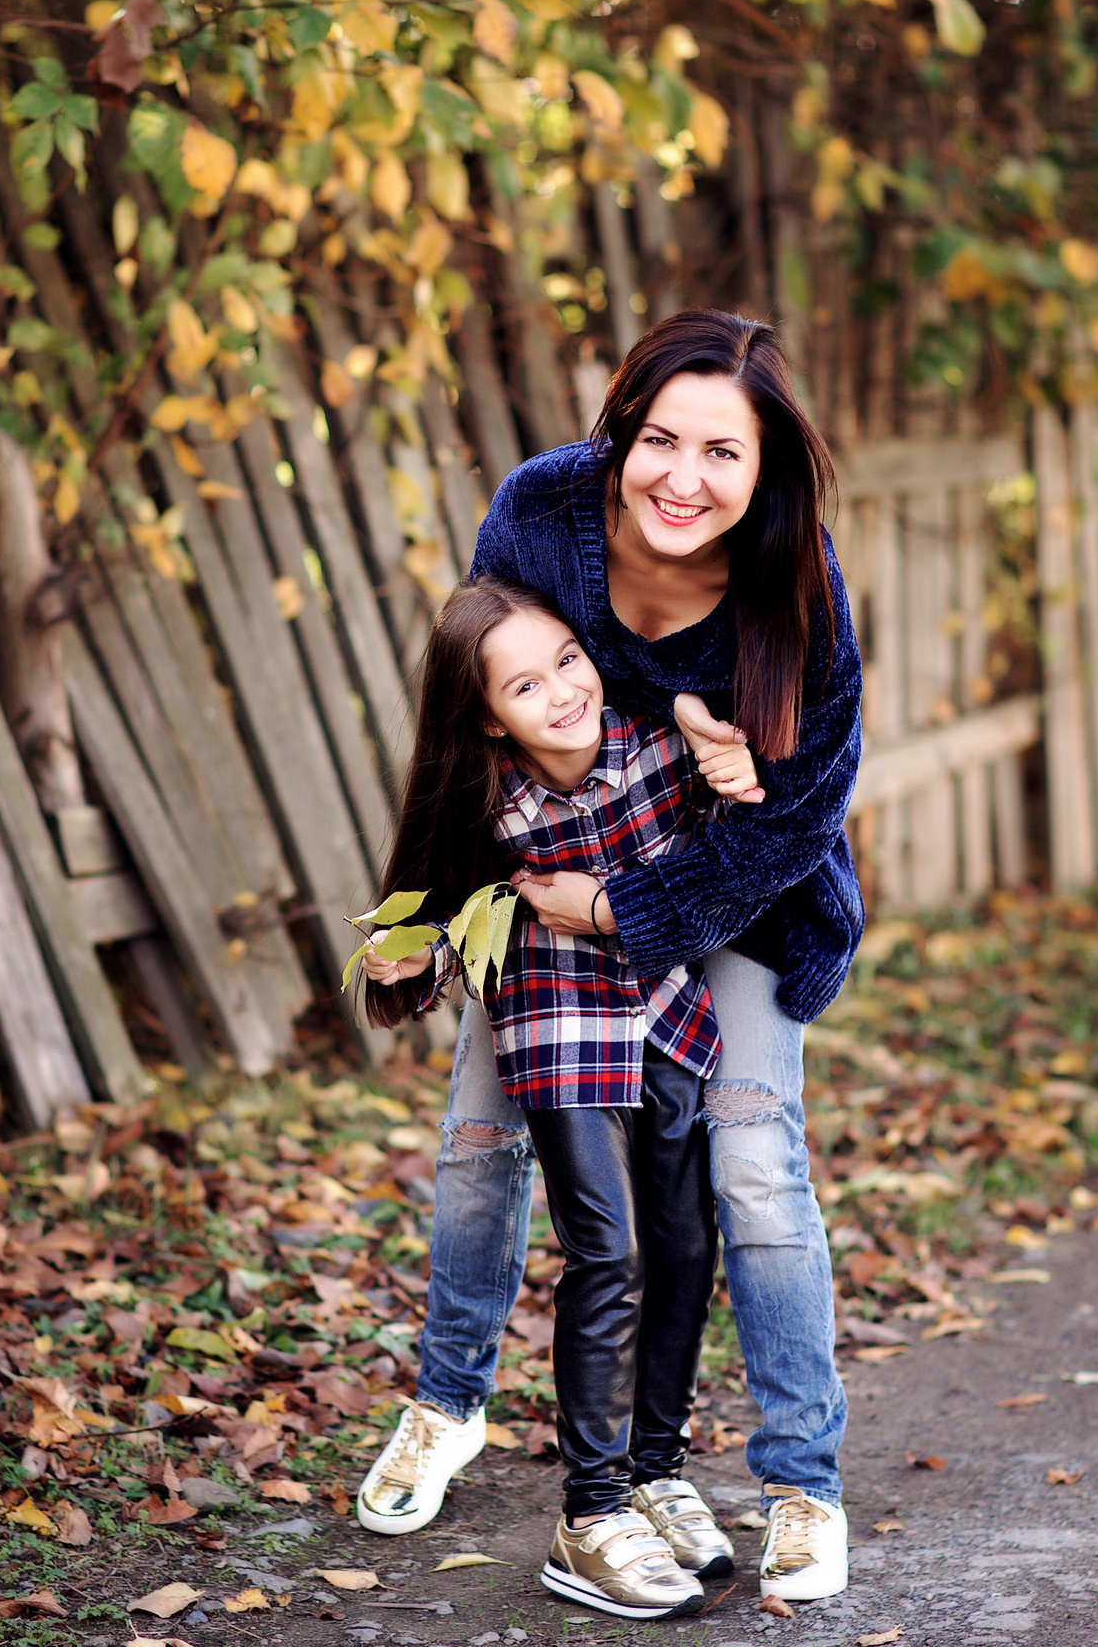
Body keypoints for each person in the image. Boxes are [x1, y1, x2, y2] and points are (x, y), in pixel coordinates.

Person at [356, 312, 864, 1605]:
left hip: (732, 900)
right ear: (620, 435)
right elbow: (475, 714)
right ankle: (450, 1399)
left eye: (722, 453)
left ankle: (800, 1483)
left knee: (746, 1164)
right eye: (659, 441)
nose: (683, 478)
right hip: (548, 892)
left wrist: (626, 905)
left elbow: (799, 820)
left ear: (767, 472)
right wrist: (423, 919)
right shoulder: (542, 514)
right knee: (481, 1136)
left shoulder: (796, 588)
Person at [356, 576, 748, 1620]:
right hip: (560, 1039)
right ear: (490, 715)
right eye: (526, 686)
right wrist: (407, 963)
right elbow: (437, 924)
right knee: (608, 1251)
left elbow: (736, 854)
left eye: (568, 659)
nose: (562, 690)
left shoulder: (661, 753)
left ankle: (656, 1473)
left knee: (681, 1247)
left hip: (669, 1022)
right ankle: (591, 1511)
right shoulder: (486, 809)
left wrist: (739, 768)